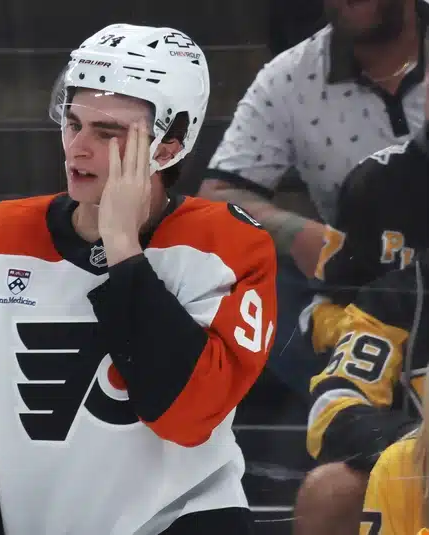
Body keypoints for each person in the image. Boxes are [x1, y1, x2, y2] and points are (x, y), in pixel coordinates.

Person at [0, 24, 278, 535]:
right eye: (73, 123)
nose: (77, 148)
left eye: (108, 132)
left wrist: (122, 247)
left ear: (169, 144)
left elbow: (188, 416)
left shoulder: (229, 246)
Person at [197, 0, 430, 394]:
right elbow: (216, 200)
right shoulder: (290, 78)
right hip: (359, 286)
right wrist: (300, 235)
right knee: (249, 278)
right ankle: (335, 407)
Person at [294, 20, 434, 534]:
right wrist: (416, 444)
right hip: (411, 443)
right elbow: (335, 397)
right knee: (332, 490)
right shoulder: (404, 289)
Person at [294, 249, 434, 535]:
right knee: (331, 491)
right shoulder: (399, 296)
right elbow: (331, 406)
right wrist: (417, 444)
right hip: (421, 476)